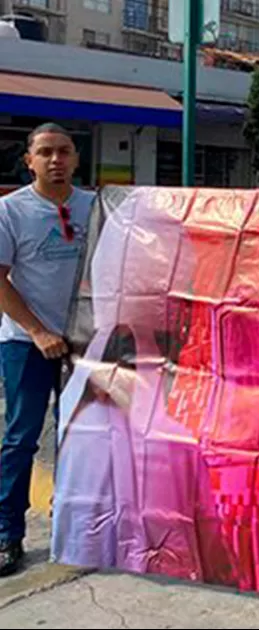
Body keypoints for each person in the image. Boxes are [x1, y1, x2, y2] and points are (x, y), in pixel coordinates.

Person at [0, 123, 95, 577]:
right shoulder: (11, 211)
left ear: (76, 158)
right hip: (27, 345)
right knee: (21, 438)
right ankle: (6, 535)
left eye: (64, 151)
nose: (56, 160)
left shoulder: (95, 206)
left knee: (78, 437)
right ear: (29, 161)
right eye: (46, 153)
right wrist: (38, 331)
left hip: (84, 343)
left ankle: (74, 527)